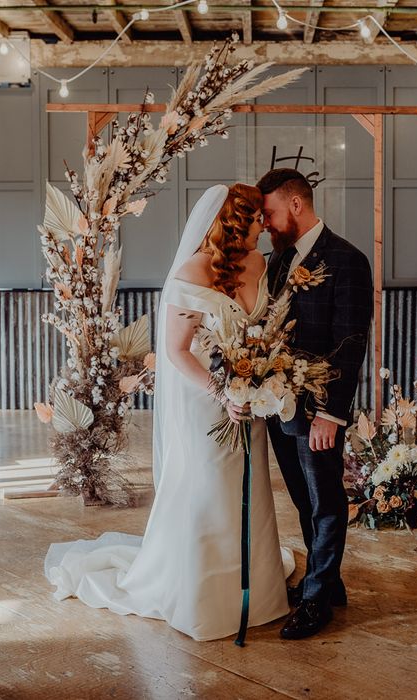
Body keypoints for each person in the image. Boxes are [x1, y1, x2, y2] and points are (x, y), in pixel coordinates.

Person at [44, 184, 294, 641]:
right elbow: (178, 352)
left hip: (250, 402)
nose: (265, 224)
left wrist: (261, 379)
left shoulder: (259, 264)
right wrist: (223, 392)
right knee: (210, 489)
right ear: (237, 223)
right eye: (257, 217)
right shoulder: (191, 273)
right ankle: (204, 596)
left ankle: (256, 593)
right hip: (208, 402)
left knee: (251, 488)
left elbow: (264, 334)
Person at [257, 168, 373, 640]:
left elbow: (350, 342)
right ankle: (328, 583)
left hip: (318, 410)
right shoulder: (279, 261)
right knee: (304, 500)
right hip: (279, 407)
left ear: (296, 205)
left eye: (270, 213)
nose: (265, 223)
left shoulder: (348, 260)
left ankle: (316, 601)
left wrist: (330, 413)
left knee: (326, 502)